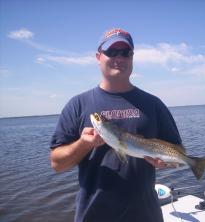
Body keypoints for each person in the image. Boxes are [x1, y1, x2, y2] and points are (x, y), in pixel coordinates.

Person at [50, 28, 182, 222]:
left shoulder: (153, 104)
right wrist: (84, 144)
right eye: (111, 52)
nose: (119, 57)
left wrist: (167, 162)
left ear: (132, 57)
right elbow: (57, 164)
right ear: (98, 57)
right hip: (93, 215)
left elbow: (177, 153)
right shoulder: (78, 105)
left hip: (145, 215)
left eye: (125, 52)